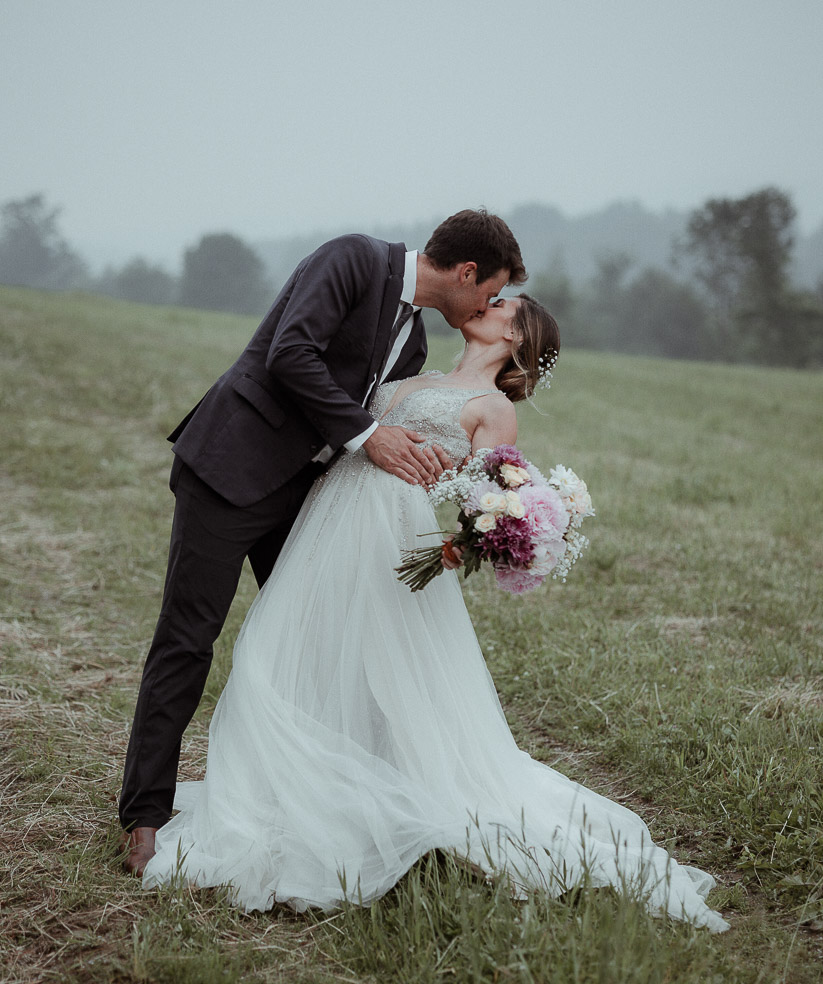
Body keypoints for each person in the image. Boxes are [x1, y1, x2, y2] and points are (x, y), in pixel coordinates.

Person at [141, 294, 729, 933]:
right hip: (328, 519)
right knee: (288, 651)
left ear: (516, 335)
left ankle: (369, 803)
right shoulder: (413, 375)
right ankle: (294, 791)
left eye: (505, 303)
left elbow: (486, 496)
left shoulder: (493, 409)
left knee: (376, 666)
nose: (490, 301)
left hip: (390, 532)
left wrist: (483, 534)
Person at [119, 209, 527, 875]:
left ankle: (342, 805)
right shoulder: (352, 259)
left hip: (306, 499)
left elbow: (394, 419)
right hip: (230, 472)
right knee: (189, 636)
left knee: (331, 643)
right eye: (490, 291)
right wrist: (370, 439)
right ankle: (143, 815)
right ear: (466, 271)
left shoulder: (417, 345)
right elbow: (290, 355)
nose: (488, 304)